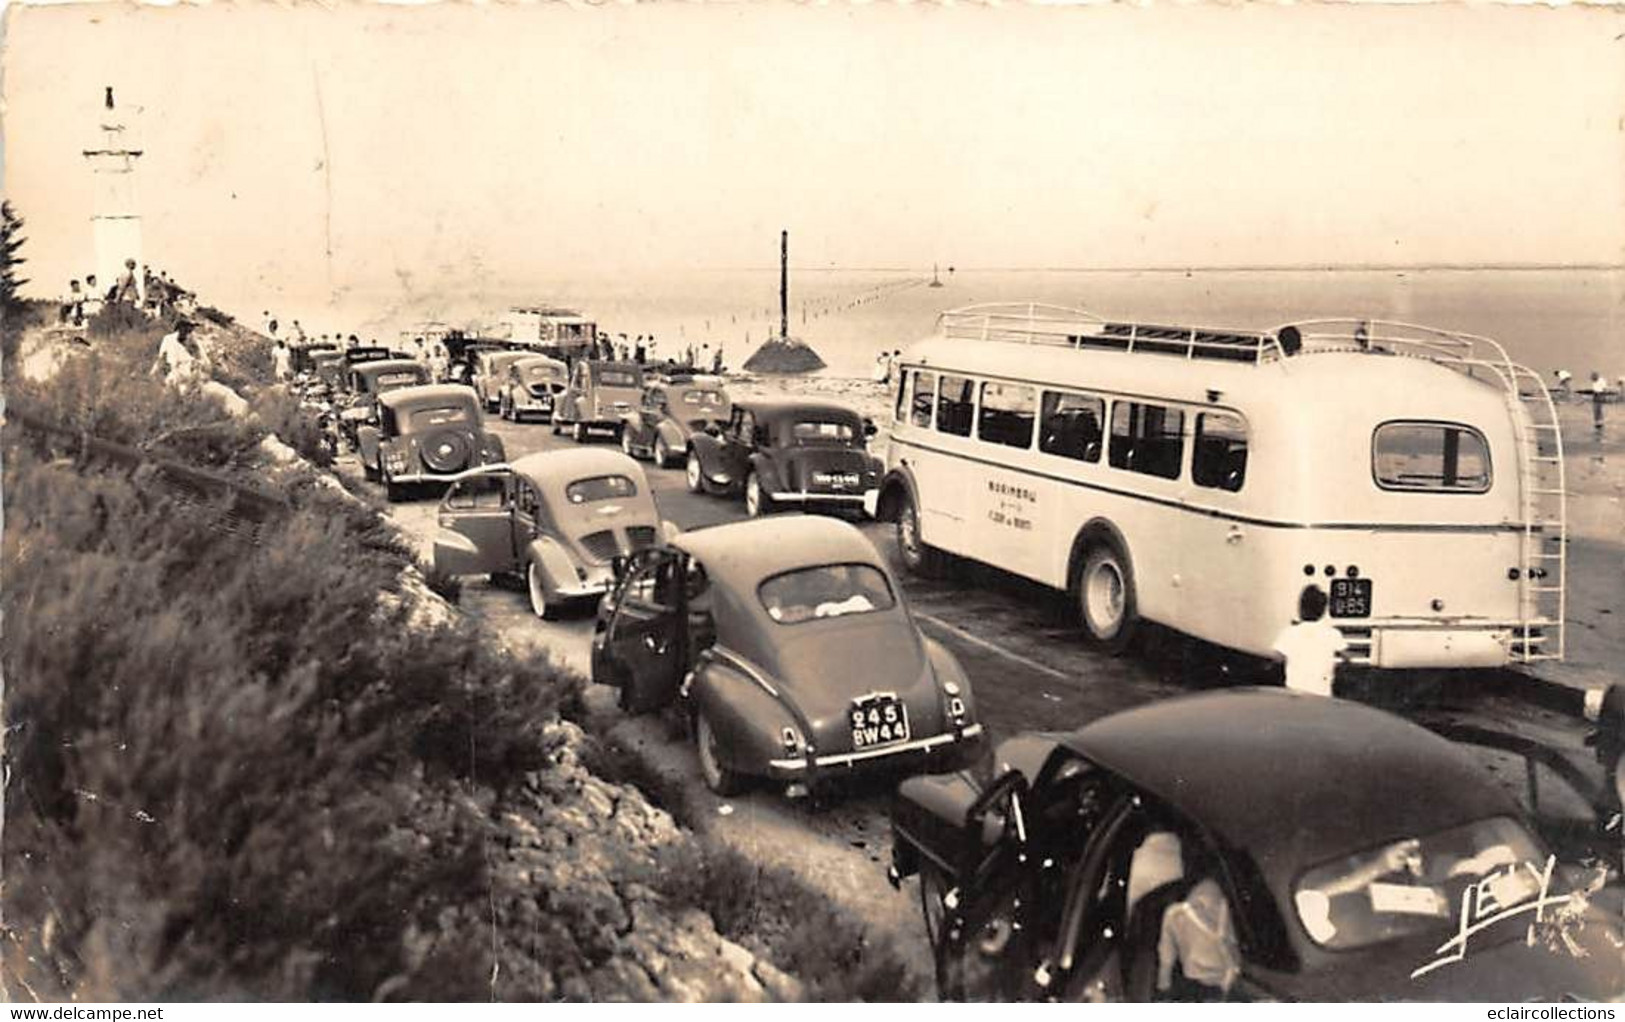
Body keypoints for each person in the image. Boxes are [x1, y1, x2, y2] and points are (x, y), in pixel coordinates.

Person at [1271, 585, 1347, 697]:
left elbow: (1277, 658)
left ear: (1301, 608)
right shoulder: (1333, 633)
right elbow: (1347, 657)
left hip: (1294, 694)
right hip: (1323, 695)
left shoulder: (1290, 632)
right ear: (1323, 610)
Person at [1590, 371, 1608, 435]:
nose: (1592, 379)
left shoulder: (1601, 381)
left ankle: (1600, 422)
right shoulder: (1594, 382)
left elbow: (1604, 389)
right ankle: (1596, 422)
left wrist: (1604, 397)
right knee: (1595, 409)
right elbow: (1594, 389)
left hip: (1600, 395)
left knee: (1599, 409)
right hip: (1595, 395)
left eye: (1593, 378)